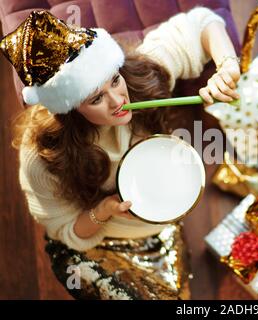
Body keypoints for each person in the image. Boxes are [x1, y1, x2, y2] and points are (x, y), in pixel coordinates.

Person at [0, 7, 240, 300]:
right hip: (91, 242)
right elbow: (63, 230)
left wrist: (227, 67)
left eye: (114, 80)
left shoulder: (138, 77)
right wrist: (104, 211)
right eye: (96, 98)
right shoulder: (42, 156)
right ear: (70, 107)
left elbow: (202, 22)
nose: (118, 101)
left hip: (155, 219)